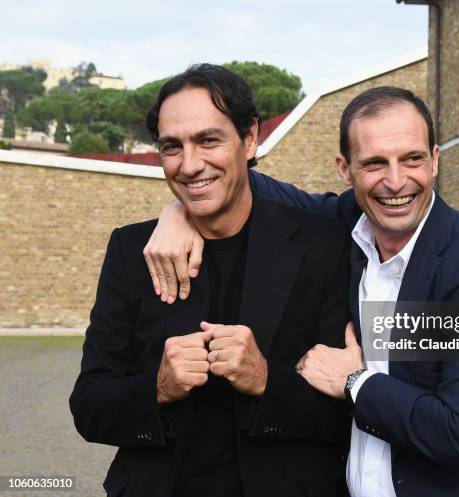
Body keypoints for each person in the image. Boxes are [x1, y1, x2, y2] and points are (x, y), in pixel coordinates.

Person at [145, 86, 459, 497]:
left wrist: (355, 382)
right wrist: (178, 210)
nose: (396, 182)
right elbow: (230, 181)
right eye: (375, 163)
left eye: (412, 159)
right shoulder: (345, 221)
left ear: (434, 159)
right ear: (346, 169)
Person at [69, 63, 352, 497]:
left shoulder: (324, 246)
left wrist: (265, 380)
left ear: (251, 138)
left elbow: (349, 415)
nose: (189, 165)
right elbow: (89, 408)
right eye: (171, 147)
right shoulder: (131, 251)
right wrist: (158, 388)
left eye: (208, 140)